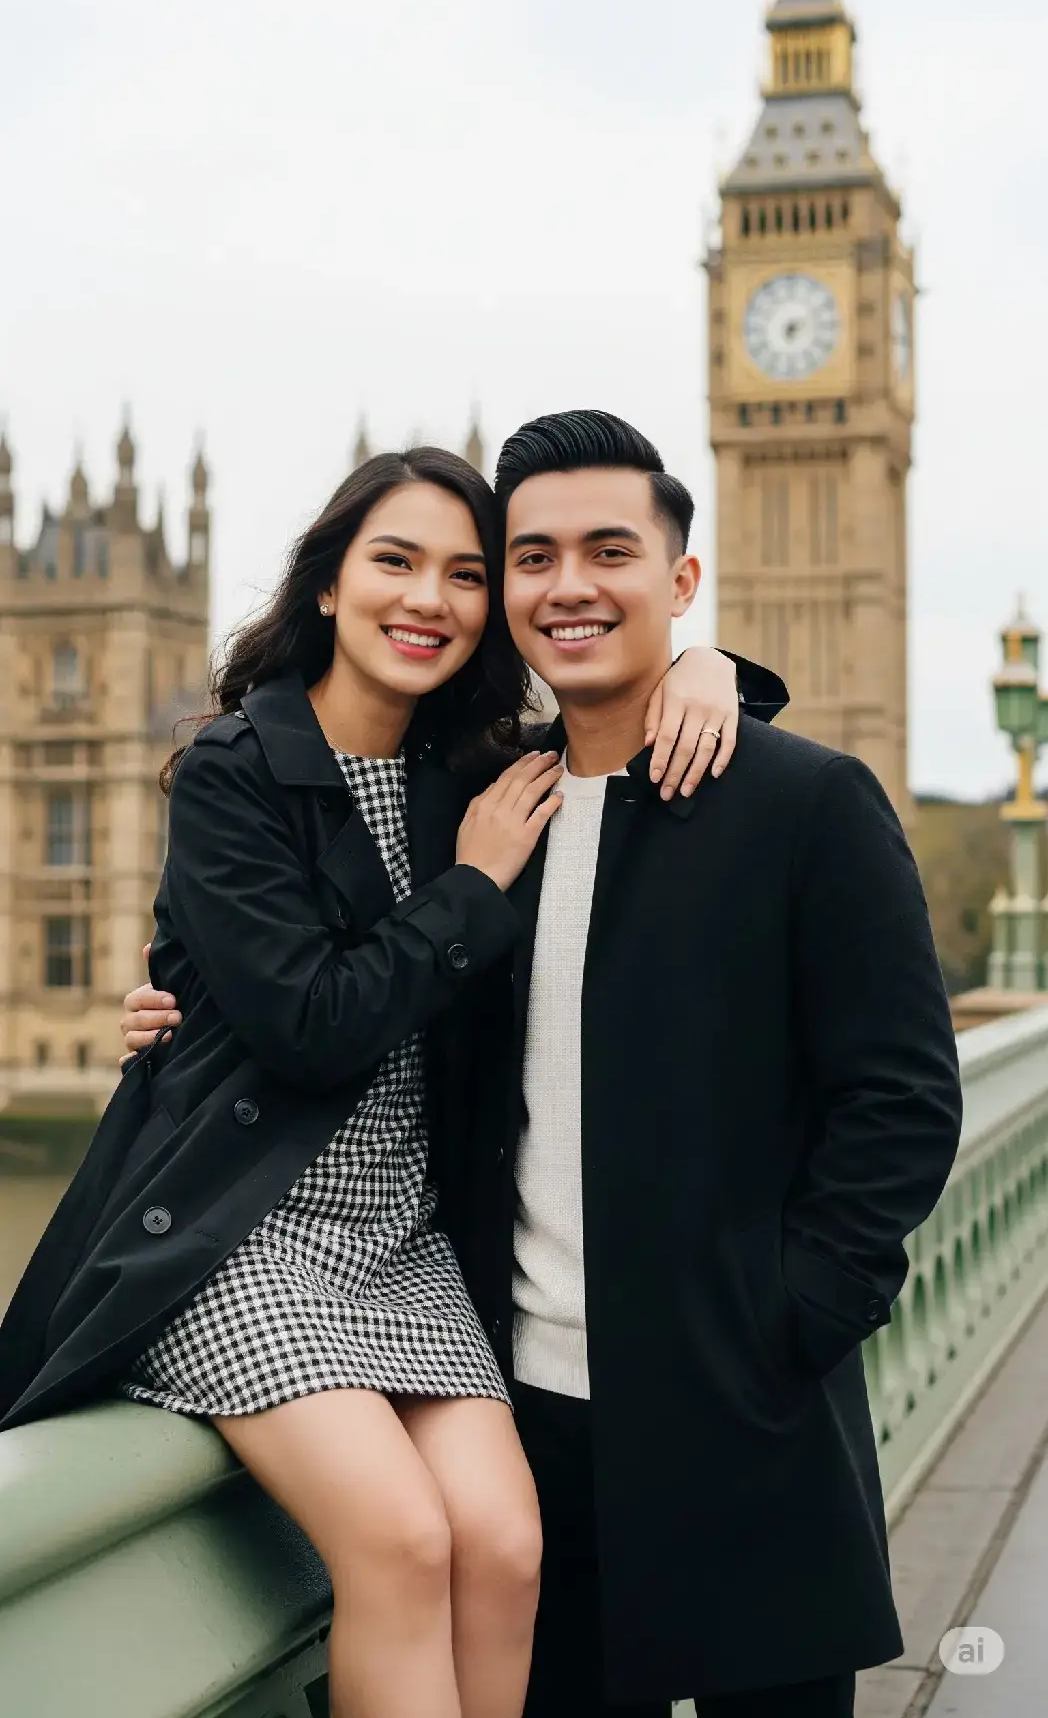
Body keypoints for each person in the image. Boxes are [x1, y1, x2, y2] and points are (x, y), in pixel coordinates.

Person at [117, 412, 962, 1717]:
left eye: (609, 551)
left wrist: (796, 1315)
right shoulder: (485, 805)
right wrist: (183, 1008)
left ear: (682, 582)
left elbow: (901, 1103)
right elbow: (337, 950)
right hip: (519, 1407)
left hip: (740, 1402)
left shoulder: (807, 804)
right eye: (532, 559)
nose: (567, 585)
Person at [0, 442, 781, 1718]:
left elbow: (607, 721)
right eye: (395, 562)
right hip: (241, 1238)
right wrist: (471, 892)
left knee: (506, 1549)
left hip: (406, 1242)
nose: (429, 597)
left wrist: (709, 665)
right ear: (327, 583)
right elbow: (308, 1027)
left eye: (463, 574)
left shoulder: (468, 768)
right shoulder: (234, 772)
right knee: (406, 1547)